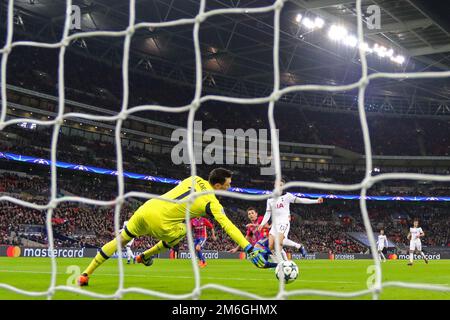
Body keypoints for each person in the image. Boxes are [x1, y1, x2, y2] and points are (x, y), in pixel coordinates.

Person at [78, 168, 271, 286]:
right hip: (162, 222)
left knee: (120, 240)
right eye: (228, 184)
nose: (229, 187)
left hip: (147, 207)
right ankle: (145, 255)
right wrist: (248, 247)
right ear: (218, 185)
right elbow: (228, 227)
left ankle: (86, 274)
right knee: (183, 231)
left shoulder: (193, 178)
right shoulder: (212, 203)